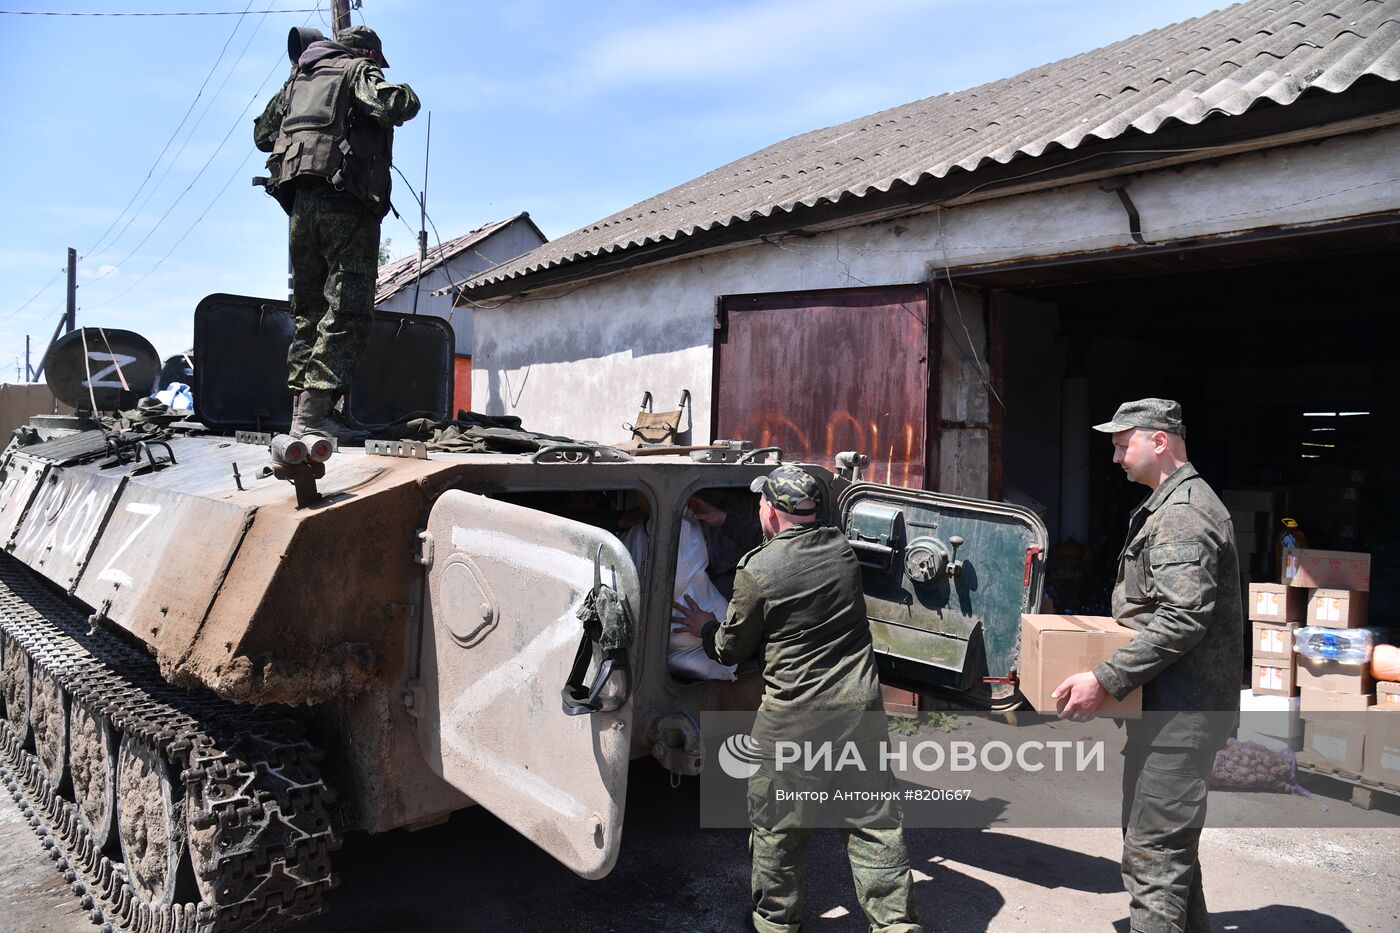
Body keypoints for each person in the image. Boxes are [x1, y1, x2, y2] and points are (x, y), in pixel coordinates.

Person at [673, 465, 921, 933]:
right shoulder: (842, 550)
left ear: (769, 509)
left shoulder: (758, 571)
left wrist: (704, 624)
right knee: (875, 825)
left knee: (778, 829)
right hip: (858, 712)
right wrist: (724, 520)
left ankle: (776, 923)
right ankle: (897, 926)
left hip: (794, 721)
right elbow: (789, 542)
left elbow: (730, 648)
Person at [1052, 398, 1242, 933]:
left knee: (1152, 854)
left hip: (1182, 713)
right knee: (1166, 845)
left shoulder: (1183, 514)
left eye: (1121, 444)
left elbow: (1183, 619)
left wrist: (1104, 678)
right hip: (1170, 706)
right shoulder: (1172, 503)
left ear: (1159, 440)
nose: (1115, 457)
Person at [253, 25, 420, 442]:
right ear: (365, 53)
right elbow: (391, 105)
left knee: (309, 311)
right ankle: (316, 415)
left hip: (299, 207)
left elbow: (261, 134)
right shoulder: (356, 69)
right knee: (347, 308)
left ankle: (301, 413)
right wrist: (405, 92)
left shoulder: (297, 80)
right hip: (345, 202)